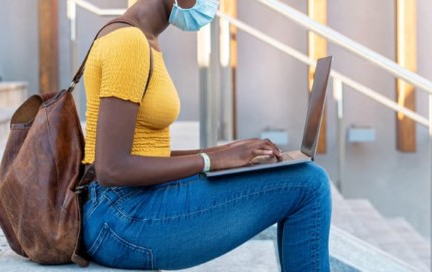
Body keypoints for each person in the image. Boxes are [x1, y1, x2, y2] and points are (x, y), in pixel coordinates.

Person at [80, 0, 332, 270]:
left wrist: (227, 153)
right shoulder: (127, 42)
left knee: (303, 179)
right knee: (309, 184)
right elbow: (111, 168)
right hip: (121, 220)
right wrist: (209, 161)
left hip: (129, 206)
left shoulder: (141, 38)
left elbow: (144, 155)